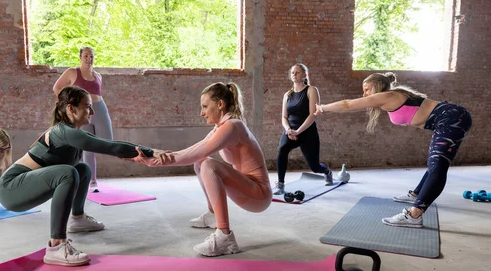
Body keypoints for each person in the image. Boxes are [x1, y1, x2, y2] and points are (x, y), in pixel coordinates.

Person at [0, 86, 162, 267]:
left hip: (21, 186)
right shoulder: (64, 132)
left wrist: (134, 154)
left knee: (82, 169)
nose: (91, 111)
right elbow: (111, 146)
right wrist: (153, 152)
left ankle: (78, 219)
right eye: (87, 106)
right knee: (67, 173)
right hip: (11, 189)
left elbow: (113, 148)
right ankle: (56, 246)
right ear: (71, 108)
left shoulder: (73, 133)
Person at [131, 82, 272, 257]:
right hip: (247, 190)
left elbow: (194, 154)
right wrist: (156, 156)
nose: (201, 112)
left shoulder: (232, 126)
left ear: (220, 104)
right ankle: (213, 215)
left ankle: (224, 237)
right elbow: (194, 151)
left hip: (259, 194)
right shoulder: (221, 126)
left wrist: (154, 162)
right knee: (201, 162)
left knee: (208, 165)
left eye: (205, 106)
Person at [314, 72, 472, 228]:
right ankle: (416, 195)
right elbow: (354, 107)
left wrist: (322, 107)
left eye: (367, 89)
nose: (364, 94)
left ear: (377, 87)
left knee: (438, 165)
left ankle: (414, 215)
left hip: (451, 117)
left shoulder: (388, 95)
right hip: (449, 118)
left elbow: (347, 104)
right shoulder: (388, 98)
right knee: (435, 163)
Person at [53, 46, 113, 192]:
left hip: (99, 107)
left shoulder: (98, 75)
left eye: (91, 56)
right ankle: (92, 181)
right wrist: (69, 106)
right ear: (80, 57)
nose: (89, 59)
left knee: (108, 139)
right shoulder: (72, 72)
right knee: (87, 146)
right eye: (86, 56)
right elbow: (57, 88)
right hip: (81, 110)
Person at [274, 64, 332, 194]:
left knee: (315, 167)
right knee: (282, 149)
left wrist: (298, 131)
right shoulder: (287, 95)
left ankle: (327, 171)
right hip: (290, 132)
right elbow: (284, 117)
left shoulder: (311, 90)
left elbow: (312, 115)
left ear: (305, 75)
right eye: (292, 72)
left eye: (297, 72)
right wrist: (288, 129)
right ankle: (280, 184)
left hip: (307, 133)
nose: (294, 74)